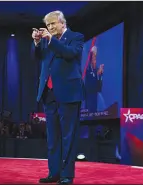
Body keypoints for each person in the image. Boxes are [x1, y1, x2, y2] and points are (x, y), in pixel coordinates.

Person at [32, 10, 85, 185]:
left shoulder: (76, 37)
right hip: (49, 94)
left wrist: (50, 40)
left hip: (69, 93)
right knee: (53, 137)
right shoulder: (48, 41)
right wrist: (37, 42)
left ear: (63, 23)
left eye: (53, 23)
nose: (50, 27)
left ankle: (66, 175)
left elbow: (70, 53)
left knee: (68, 136)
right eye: (48, 25)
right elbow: (39, 57)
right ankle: (54, 172)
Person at [85, 46, 104, 113]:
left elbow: (99, 88)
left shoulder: (96, 70)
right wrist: (97, 74)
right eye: (94, 58)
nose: (95, 61)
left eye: (96, 59)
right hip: (89, 99)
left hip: (95, 99)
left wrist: (100, 75)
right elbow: (90, 86)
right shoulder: (87, 70)